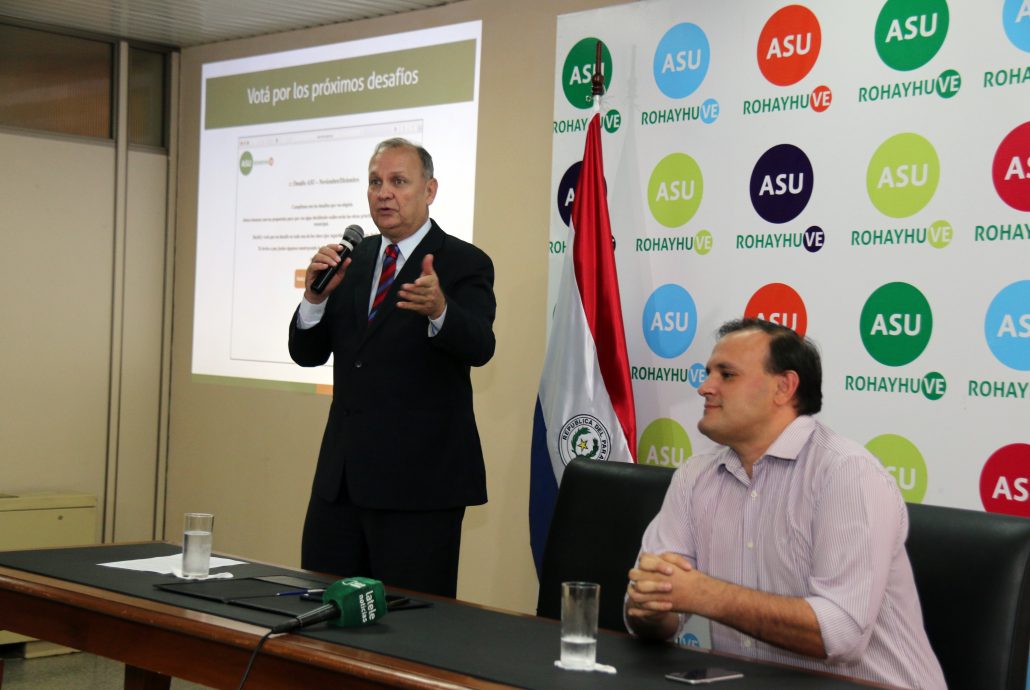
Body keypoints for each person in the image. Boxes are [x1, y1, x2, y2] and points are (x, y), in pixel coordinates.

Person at [625, 319, 945, 690]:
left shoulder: (846, 473)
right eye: (708, 373)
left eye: (726, 375)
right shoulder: (694, 476)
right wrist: (651, 604)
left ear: (784, 388)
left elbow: (842, 633)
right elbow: (653, 616)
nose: (705, 387)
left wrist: (705, 595)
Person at [288, 138, 496, 597]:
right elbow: (308, 354)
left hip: (419, 491)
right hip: (341, 486)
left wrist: (441, 309)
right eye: (375, 182)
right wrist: (314, 299)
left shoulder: (464, 262)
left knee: (411, 629)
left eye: (398, 181)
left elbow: (481, 346)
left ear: (430, 190)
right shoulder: (352, 261)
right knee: (323, 620)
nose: (384, 193)